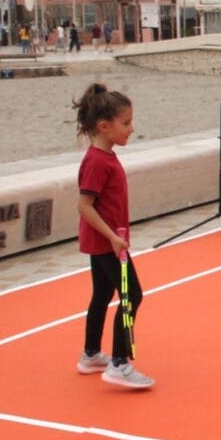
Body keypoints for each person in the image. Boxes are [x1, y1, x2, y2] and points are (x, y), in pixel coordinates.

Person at [72, 83, 154, 389]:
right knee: (132, 295)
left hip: (107, 242)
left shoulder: (105, 157)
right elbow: (84, 206)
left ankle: (91, 354)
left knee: (103, 295)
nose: (131, 129)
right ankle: (120, 363)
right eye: (126, 123)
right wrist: (112, 237)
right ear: (104, 127)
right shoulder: (96, 162)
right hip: (107, 244)